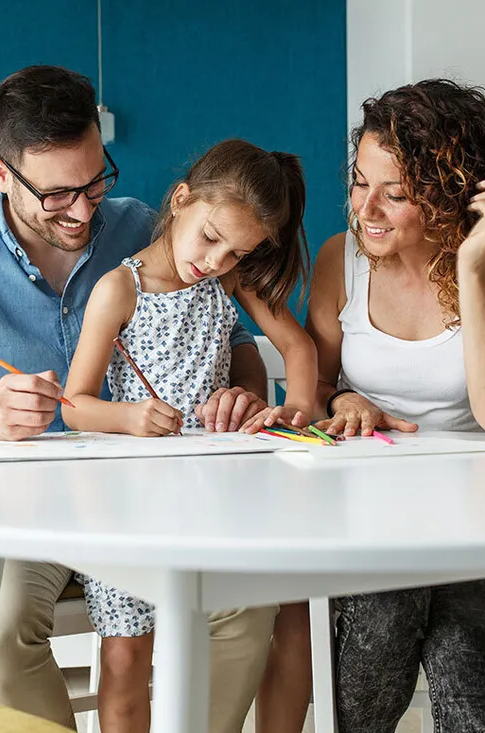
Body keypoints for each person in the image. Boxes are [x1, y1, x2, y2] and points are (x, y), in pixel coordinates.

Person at [0, 65, 278, 731]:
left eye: (97, 181)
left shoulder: (144, 230)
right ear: (1, 173)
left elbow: (233, 332)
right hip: (25, 505)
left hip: (152, 498)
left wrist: (240, 391)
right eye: (59, 192)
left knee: (249, 604)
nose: (84, 207)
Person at [259, 78, 485, 733]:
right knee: (378, 644)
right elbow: (315, 388)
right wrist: (347, 396)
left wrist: (475, 265)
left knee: (467, 678)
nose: (367, 208)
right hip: (365, 505)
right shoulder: (343, 260)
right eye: (361, 182)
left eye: (395, 194)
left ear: (453, 198)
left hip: (471, 512)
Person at [61, 139, 318, 732]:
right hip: (125, 508)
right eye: (210, 238)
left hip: (212, 504)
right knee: (125, 655)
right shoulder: (119, 290)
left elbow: (299, 347)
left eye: (237, 253)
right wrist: (129, 418)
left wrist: (297, 410)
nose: (218, 261)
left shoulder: (227, 284)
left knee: (221, 636)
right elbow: (76, 406)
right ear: (181, 200)